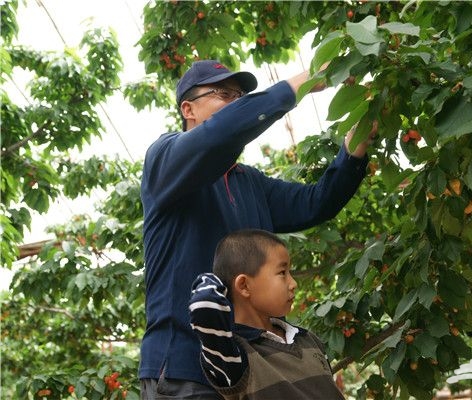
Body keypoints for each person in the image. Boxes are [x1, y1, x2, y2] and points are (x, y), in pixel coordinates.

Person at [139, 59, 374, 399]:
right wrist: (303, 82)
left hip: (250, 369)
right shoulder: (164, 158)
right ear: (187, 108)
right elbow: (219, 134)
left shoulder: (249, 182)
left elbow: (317, 202)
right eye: (224, 94)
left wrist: (358, 143)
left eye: (240, 96)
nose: (237, 103)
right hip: (186, 372)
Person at [189, 229, 345, 399]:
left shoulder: (308, 339)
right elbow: (204, 305)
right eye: (282, 273)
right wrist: (216, 280)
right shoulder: (234, 357)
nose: (293, 283)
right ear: (244, 286)